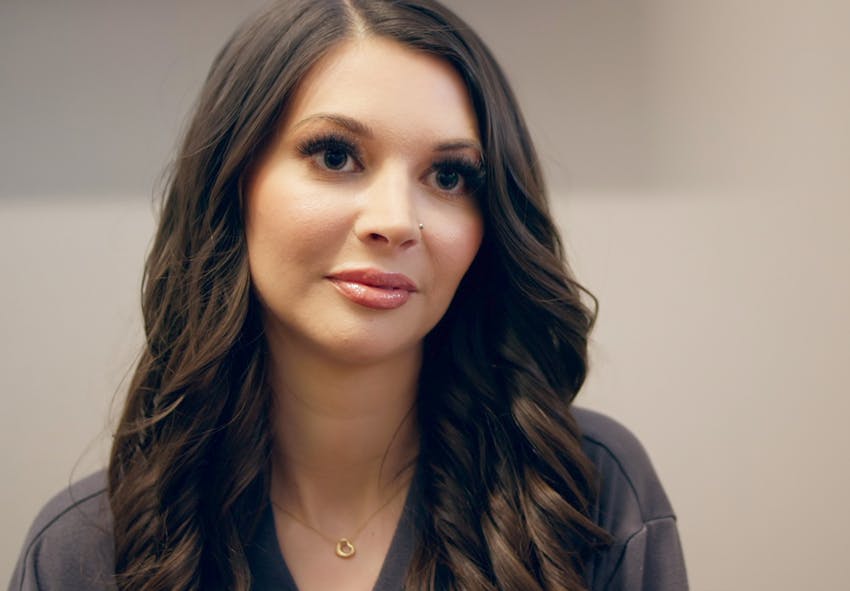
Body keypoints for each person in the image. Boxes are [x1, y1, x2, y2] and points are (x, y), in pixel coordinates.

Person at [9, 1, 688, 590]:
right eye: (336, 156)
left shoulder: (584, 495)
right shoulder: (84, 553)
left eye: (448, 176)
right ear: (234, 185)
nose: (395, 221)